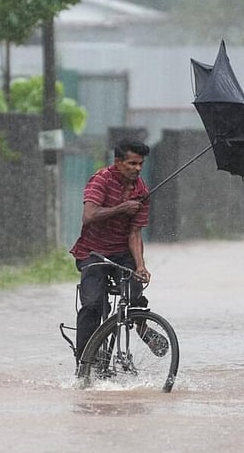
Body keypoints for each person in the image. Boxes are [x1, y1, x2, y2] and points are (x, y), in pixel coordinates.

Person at [69, 138, 153, 368]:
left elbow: (135, 234)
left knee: (135, 289)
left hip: (121, 252)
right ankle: (84, 361)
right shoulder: (101, 180)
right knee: (93, 304)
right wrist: (121, 208)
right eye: (132, 163)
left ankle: (142, 326)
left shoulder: (141, 191)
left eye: (140, 164)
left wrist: (141, 265)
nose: (137, 169)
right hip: (92, 253)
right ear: (118, 162)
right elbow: (89, 215)